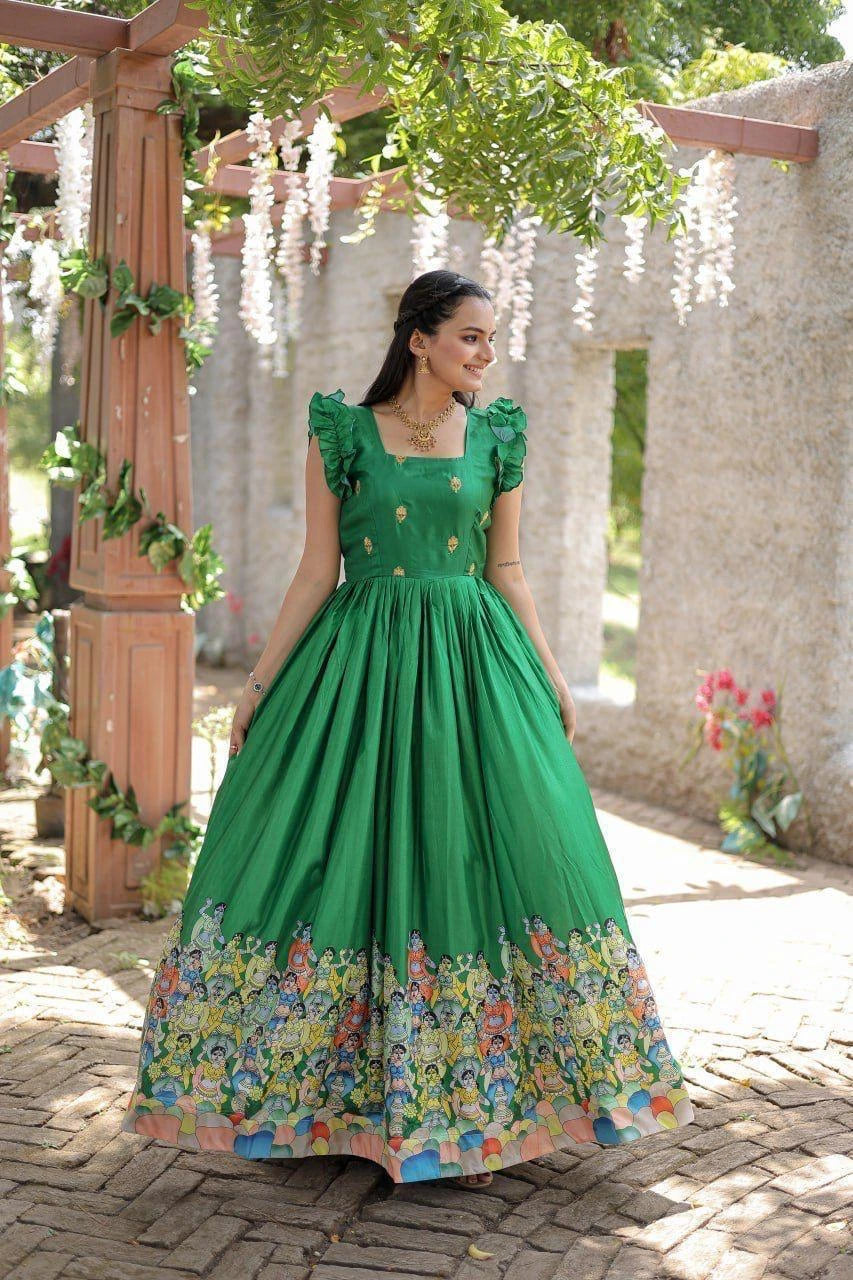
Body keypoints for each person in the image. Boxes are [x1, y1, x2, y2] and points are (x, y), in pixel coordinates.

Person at [122, 269, 696, 1188]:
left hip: (474, 668)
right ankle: (318, 1099)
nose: (486, 352)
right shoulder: (343, 432)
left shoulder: (497, 436)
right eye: (470, 336)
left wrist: (547, 669)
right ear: (418, 339)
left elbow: (504, 564)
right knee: (332, 856)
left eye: (491, 337)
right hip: (359, 666)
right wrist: (261, 681)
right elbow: (319, 566)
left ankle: (474, 1114)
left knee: (483, 856)